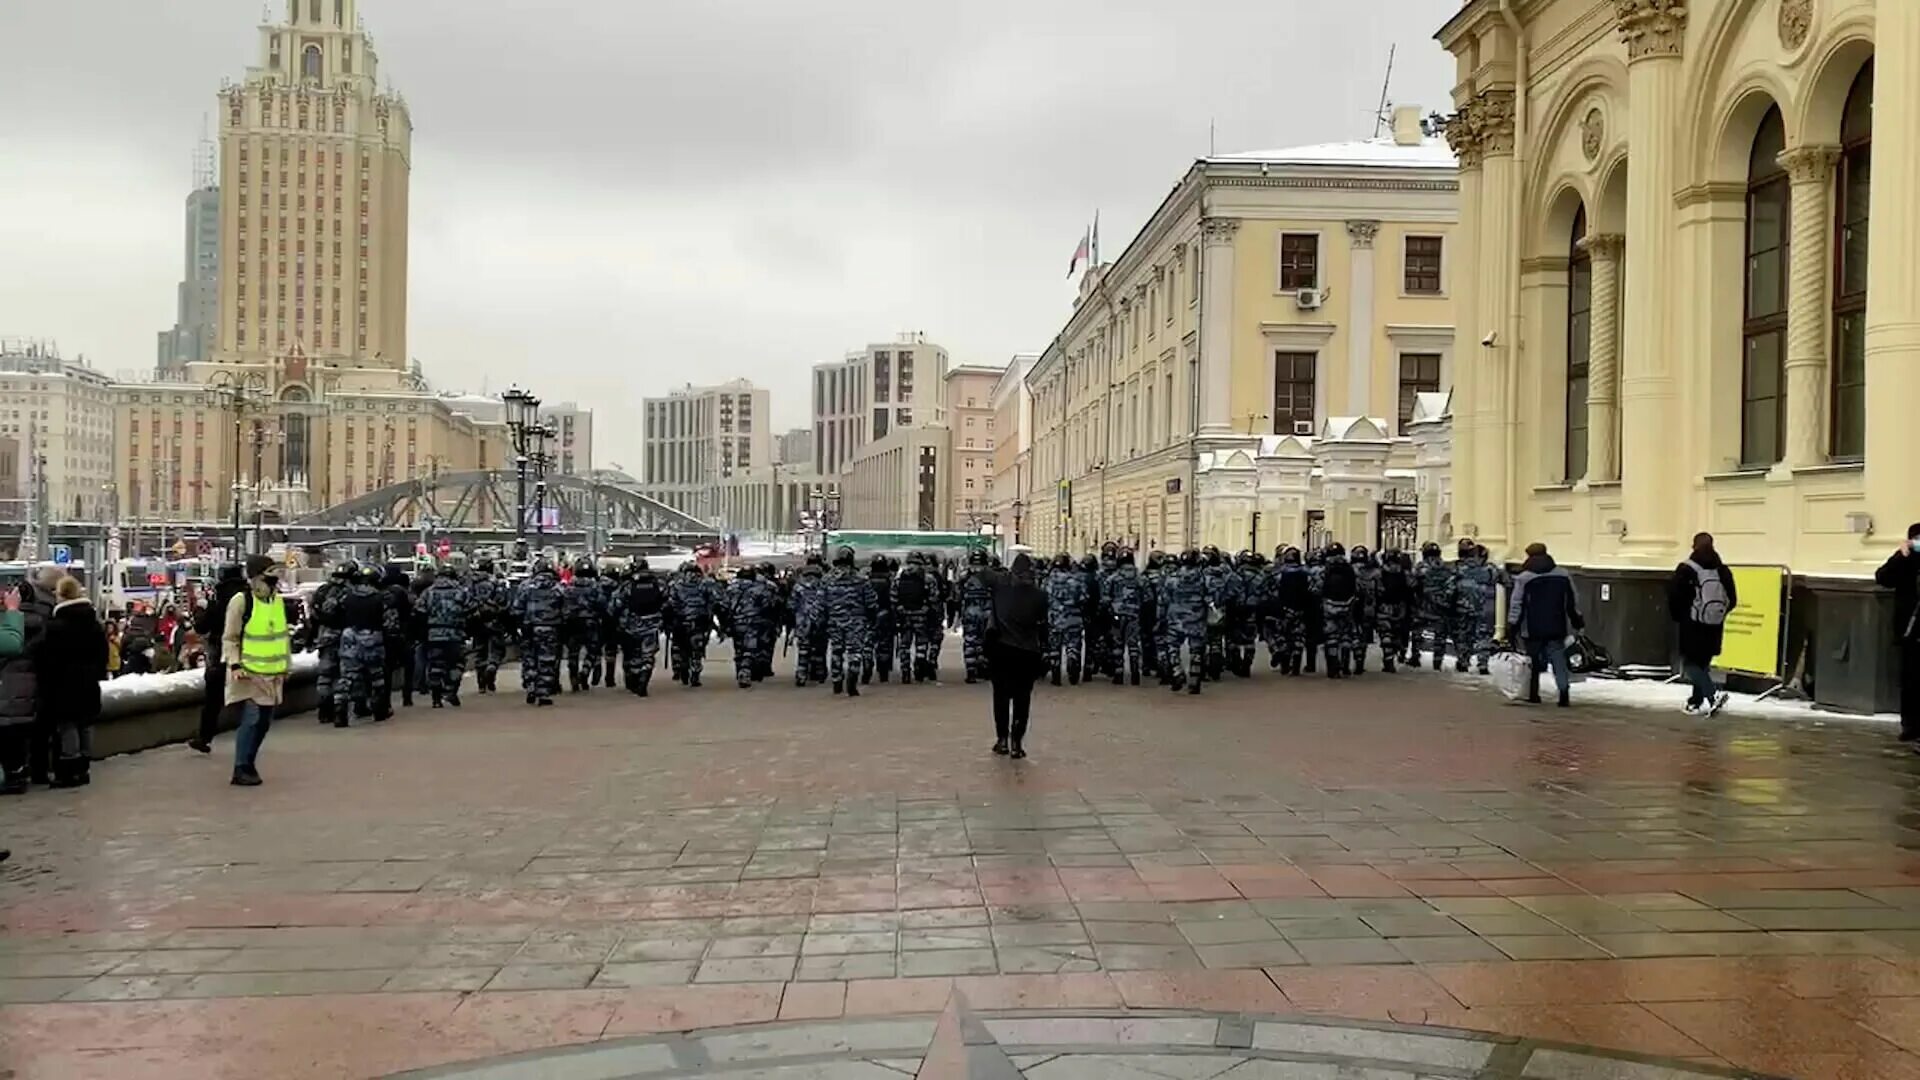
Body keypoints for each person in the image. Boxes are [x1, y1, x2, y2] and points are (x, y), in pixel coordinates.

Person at [223, 555, 291, 786]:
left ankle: (249, 762)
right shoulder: (241, 601)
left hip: (272, 672)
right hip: (248, 671)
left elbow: (281, 637)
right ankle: (241, 766)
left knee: (264, 721)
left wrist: (286, 666)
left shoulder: (277, 601)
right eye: (269, 573)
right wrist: (234, 664)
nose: (274, 579)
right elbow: (230, 637)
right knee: (252, 719)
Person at [41, 577, 107, 788]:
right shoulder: (93, 623)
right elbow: (102, 654)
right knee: (85, 724)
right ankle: (84, 767)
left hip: (64, 684)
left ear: (60, 595)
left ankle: (70, 769)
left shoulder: (55, 626)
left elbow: (48, 659)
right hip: (88, 682)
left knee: (67, 726)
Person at [984, 553, 1048, 759]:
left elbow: (983, 574)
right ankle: (1016, 744)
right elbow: (1042, 623)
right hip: (1027, 652)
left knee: (1000, 697)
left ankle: (1001, 739)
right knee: (1022, 699)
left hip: (1001, 651)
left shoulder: (1000, 590)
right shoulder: (1040, 596)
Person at [1668, 531, 1736, 717]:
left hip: (1691, 624)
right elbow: (1733, 599)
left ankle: (1712, 695)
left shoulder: (1686, 569)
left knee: (1690, 664)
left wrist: (1682, 616)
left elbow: (1675, 597)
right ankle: (1696, 701)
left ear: (1694, 546)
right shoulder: (1722, 570)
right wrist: (1717, 614)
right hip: (1714, 625)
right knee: (1702, 663)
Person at [1509, 542, 1583, 708]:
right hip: (1556, 625)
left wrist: (1512, 625)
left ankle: (1533, 693)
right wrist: (1577, 619)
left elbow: (1517, 604)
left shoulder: (1524, 578)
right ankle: (1564, 692)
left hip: (1531, 627)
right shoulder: (1563, 575)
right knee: (1558, 659)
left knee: (1533, 661)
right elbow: (1572, 600)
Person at [188, 563, 248, 754]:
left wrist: (199, 613)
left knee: (213, 697)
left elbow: (202, 627)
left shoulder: (220, 599)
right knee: (248, 697)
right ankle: (247, 735)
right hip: (249, 651)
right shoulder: (249, 596)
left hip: (222, 652)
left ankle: (204, 737)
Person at [1874, 523, 1920, 743]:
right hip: (1909, 630)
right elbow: (1883, 578)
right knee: (1909, 681)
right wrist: (1901, 556)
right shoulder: (1904, 558)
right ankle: (1910, 726)